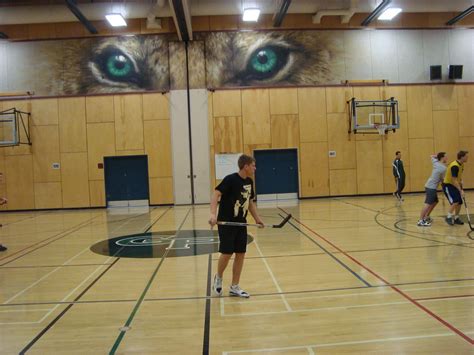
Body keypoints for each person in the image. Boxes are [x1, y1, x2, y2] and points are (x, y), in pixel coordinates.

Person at [208, 154, 264, 298]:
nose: (255, 168)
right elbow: (215, 194)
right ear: (245, 166)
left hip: (241, 223)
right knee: (227, 253)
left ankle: (234, 286)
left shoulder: (250, 182)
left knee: (240, 254)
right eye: (253, 165)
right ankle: (218, 277)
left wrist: (257, 219)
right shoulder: (230, 179)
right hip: (226, 222)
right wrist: (213, 214)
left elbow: (249, 202)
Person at [417, 152, 447, 226]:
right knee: (428, 203)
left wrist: (437, 156)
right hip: (431, 187)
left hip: (429, 185)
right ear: (442, 158)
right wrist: (444, 187)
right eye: (446, 156)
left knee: (435, 201)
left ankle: (427, 216)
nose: (447, 158)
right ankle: (421, 220)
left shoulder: (435, 162)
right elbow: (443, 180)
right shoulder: (443, 168)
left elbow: (432, 156)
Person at [442, 150, 469, 226]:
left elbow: (458, 178)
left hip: (454, 184)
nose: (467, 158)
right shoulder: (455, 166)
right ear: (462, 157)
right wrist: (461, 191)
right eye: (466, 157)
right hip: (448, 185)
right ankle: (449, 217)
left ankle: (456, 218)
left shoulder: (462, 164)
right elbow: (454, 180)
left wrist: (461, 186)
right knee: (456, 200)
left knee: (460, 202)